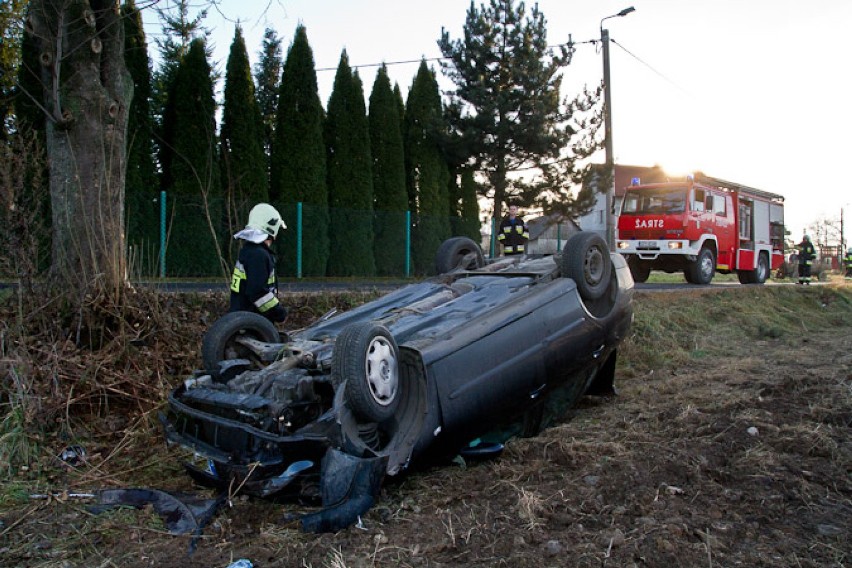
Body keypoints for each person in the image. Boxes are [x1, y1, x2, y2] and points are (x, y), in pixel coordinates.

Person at [229, 203, 289, 323]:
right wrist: (279, 312)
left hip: (240, 321)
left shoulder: (248, 251)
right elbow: (258, 293)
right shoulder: (259, 256)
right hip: (252, 323)